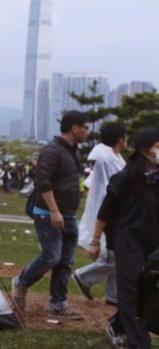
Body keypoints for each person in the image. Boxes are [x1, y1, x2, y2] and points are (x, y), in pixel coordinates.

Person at [11, 111, 89, 321]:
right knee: (51, 256)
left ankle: (58, 303)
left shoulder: (72, 151)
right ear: (75, 127)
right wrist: (54, 210)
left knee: (65, 261)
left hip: (69, 214)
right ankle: (20, 282)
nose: (88, 132)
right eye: (86, 127)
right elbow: (43, 181)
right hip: (49, 213)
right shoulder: (53, 150)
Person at [88, 129, 159, 349]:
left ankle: (118, 324)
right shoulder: (125, 177)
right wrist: (95, 241)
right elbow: (105, 211)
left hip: (152, 240)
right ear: (144, 149)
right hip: (127, 239)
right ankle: (138, 343)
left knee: (147, 289)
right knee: (129, 290)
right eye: (158, 146)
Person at [72, 122, 127, 305]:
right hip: (110, 211)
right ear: (120, 139)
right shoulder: (107, 160)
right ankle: (84, 276)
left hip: (113, 210)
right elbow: (107, 187)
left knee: (116, 256)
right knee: (113, 255)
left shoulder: (116, 159)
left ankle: (113, 296)